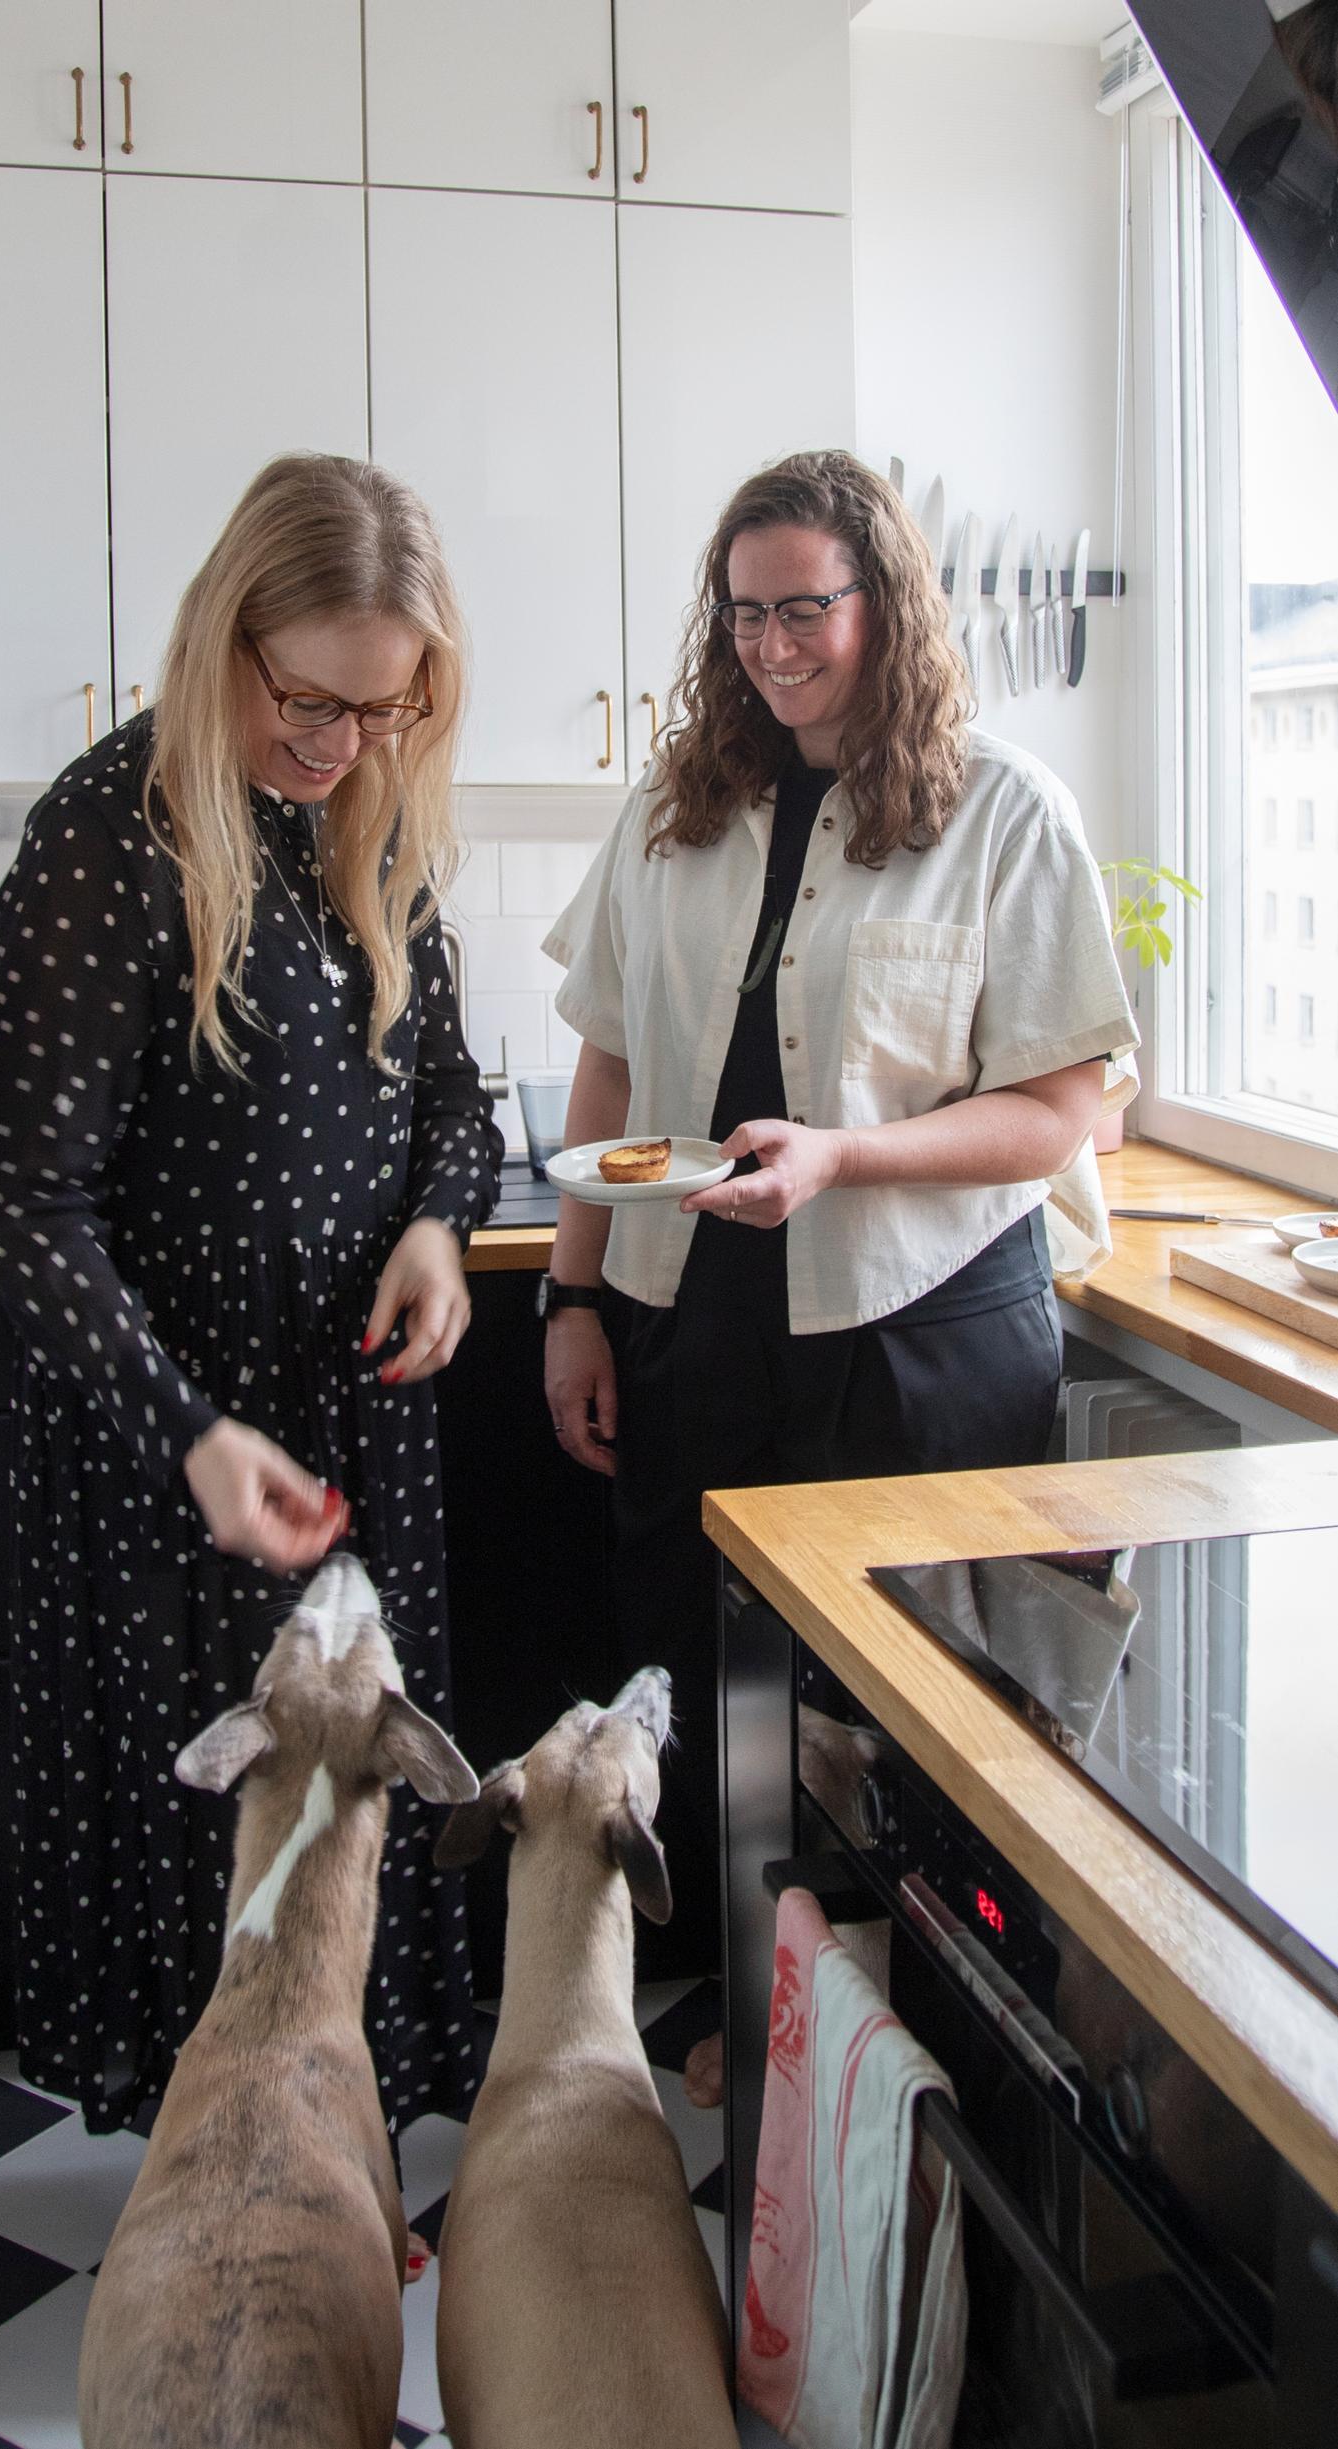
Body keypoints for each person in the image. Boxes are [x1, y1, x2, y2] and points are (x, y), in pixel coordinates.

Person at [540, 451, 1137, 2090]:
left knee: (906, 1705)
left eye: (804, 607)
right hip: (695, 1312)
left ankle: (900, 2043)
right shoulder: (675, 808)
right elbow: (607, 1065)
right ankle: (759, 2005)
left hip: (919, 1322)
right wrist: (573, 1299)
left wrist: (840, 1157)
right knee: (713, 1680)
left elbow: (1059, 1112)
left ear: (885, 601)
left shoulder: (1002, 811)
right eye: (744, 614)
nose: (772, 646)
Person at [0, 454, 503, 2141]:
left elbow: (455, 1104)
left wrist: (438, 1228)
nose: (344, 743)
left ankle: (342, 2187)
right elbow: (28, 1214)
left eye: (386, 707)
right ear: (227, 640)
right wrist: (190, 1436)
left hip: (356, 1435)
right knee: (221, 1881)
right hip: (182, 1466)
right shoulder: (104, 837)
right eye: (310, 701)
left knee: (351, 1843)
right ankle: (218, 2220)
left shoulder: (370, 818)